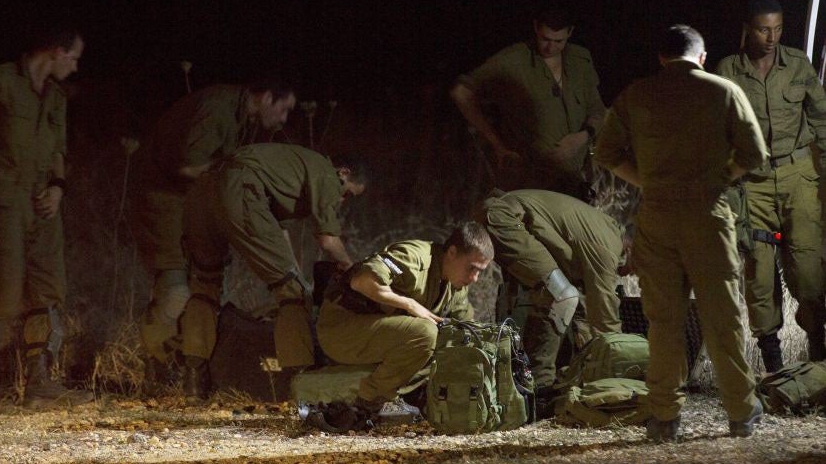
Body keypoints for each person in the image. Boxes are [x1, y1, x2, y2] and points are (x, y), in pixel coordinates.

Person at [594, 24, 768, 442]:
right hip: (708, 215)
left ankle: (664, 416)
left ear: (661, 58)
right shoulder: (724, 92)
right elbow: (755, 154)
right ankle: (741, 413)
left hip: (657, 216)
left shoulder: (636, 95)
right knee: (722, 318)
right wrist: (721, 176)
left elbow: (606, 153)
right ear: (702, 57)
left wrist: (646, 182)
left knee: (664, 321)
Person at [131, 79, 296, 392]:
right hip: (166, 203)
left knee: (201, 290)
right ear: (267, 97)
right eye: (284, 108)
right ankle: (159, 371)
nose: (285, 119)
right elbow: (189, 166)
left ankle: (181, 370)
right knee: (175, 289)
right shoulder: (218, 109)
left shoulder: (243, 119)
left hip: (192, 207)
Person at [0, 25, 93, 408]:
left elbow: (58, 149)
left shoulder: (55, 96)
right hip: (3, 203)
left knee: (48, 292)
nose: (75, 67)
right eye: (73, 57)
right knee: (1, 296)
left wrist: (58, 186)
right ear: (55, 50)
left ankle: (40, 384)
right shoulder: (0, 81)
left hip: (42, 207)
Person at [179, 143, 368, 400]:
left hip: (202, 193)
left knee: (204, 286)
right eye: (348, 194)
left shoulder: (287, 168)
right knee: (294, 292)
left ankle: (194, 383)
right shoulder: (325, 171)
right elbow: (327, 239)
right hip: (239, 189)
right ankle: (300, 384)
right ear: (343, 173)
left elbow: (275, 233)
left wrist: (289, 269)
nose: (343, 200)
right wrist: (354, 270)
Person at [715, 0, 826, 372]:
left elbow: (822, 120)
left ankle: (817, 351)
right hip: (753, 183)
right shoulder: (728, 71)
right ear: (748, 29)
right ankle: (773, 363)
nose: (772, 37)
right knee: (759, 275)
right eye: (764, 29)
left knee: (809, 270)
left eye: (777, 29)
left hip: (798, 178)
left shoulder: (797, 65)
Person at [316, 222, 493, 414]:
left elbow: (466, 327)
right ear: (452, 252)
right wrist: (410, 304)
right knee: (425, 332)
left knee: (454, 340)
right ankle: (372, 400)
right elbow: (361, 281)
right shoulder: (415, 257)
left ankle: (413, 396)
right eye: (472, 268)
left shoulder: (455, 284)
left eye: (480, 272)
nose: (475, 278)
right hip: (341, 330)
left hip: (378, 336)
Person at [474, 189, 631, 402]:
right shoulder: (607, 245)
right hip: (504, 217)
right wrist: (624, 365)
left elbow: (587, 310)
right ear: (633, 251)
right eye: (637, 268)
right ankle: (538, 389)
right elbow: (605, 314)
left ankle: (539, 386)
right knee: (561, 295)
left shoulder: (603, 236)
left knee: (559, 296)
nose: (630, 274)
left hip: (508, 217)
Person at [451, 8, 605, 197]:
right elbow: (462, 92)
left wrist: (582, 137)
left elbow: (597, 109)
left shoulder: (580, 60)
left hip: (575, 181)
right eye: (545, 39)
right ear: (535, 28)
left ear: (570, 33)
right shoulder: (514, 60)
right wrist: (497, 144)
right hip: (531, 182)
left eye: (559, 41)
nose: (551, 47)